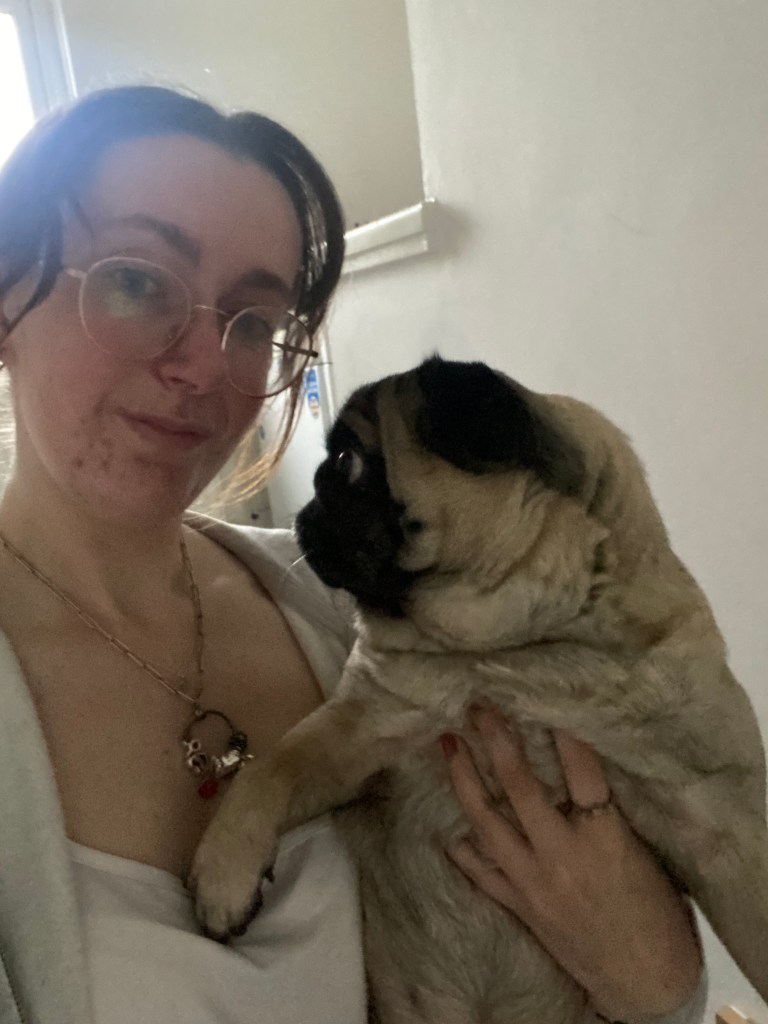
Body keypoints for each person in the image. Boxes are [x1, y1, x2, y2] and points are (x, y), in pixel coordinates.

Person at [0, 85, 706, 1024]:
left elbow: (586, 944)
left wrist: (662, 984)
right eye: (135, 281)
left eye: (254, 320)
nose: (205, 366)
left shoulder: (349, 613)